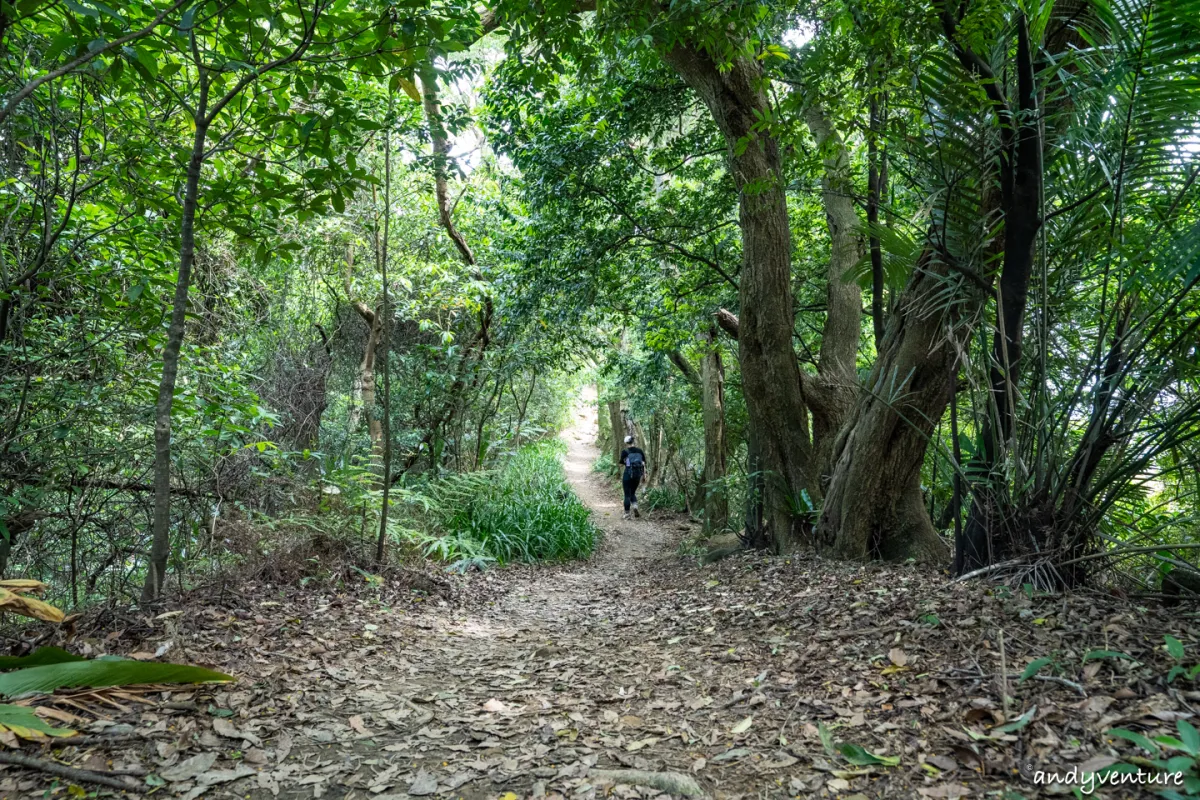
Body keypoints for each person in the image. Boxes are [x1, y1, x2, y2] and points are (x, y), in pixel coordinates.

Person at [619, 435, 646, 520]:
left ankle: (627, 514)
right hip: (637, 475)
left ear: (626, 443)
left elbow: (620, 463)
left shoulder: (625, 451)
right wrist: (644, 475)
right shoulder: (640, 451)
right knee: (633, 493)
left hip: (627, 475)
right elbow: (643, 463)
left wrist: (625, 463)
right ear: (633, 442)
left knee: (627, 494)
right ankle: (635, 506)